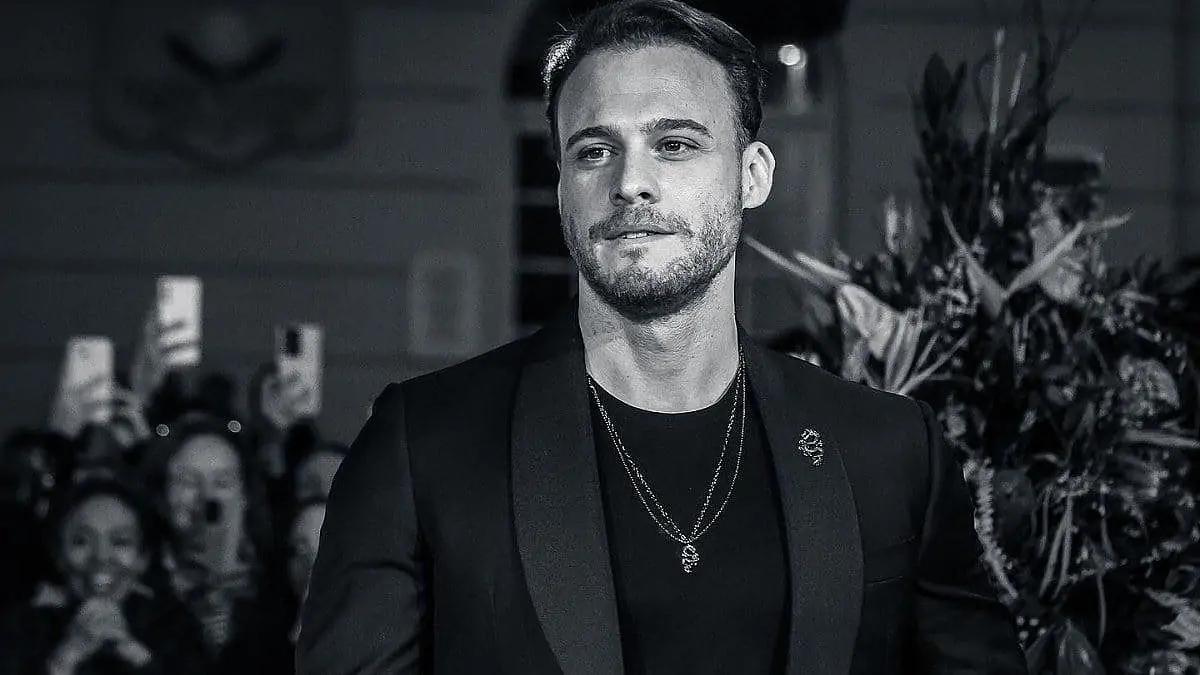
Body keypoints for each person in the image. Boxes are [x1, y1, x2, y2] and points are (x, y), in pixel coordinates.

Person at [297, 1, 1029, 673]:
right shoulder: (424, 448)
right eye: (594, 151)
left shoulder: (889, 451)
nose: (630, 183)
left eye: (674, 144)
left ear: (752, 176)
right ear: (561, 188)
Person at [0, 476, 207, 675]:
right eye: (81, 541)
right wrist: (65, 658)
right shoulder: (23, 629)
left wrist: (133, 653)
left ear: (142, 559)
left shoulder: (175, 627)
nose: (101, 557)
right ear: (59, 555)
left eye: (120, 542)